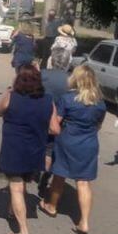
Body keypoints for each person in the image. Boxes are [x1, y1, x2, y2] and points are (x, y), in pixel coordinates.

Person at [40, 65, 106, 234]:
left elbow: (57, 122)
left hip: (68, 140)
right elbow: (98, 125)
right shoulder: (100, 103)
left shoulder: (67, 99)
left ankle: (51, 206)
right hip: (89, 143)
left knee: (60, 175)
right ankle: (84, 221)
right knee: (83, 182)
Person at [0, 64, 53, 234]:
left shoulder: (12, 97)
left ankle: (23, 233)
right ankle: (13, 211)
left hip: (14, 149)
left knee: (16, 187)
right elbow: (53, 127)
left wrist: (8, 91)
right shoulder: (48, 99)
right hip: (35, 149)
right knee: (22, 183)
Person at [38, 47, 73, 191]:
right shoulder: (70, 80)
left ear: (51, 60)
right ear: (68, 62)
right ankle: (46, 176)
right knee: (50, 149)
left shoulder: (42, 74)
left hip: (39, 115)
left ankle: (32, 169)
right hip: (59, 119)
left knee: (36, 143)